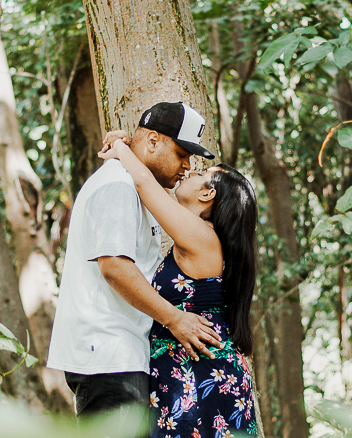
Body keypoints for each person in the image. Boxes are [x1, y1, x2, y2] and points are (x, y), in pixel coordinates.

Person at [47, 101, 222, 418]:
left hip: (121, 356)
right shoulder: (119, 185)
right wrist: (175, 319)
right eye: (181, 154)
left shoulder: (135, 185)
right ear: (153, 141)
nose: (187, 165)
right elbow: (115, 267)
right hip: (108, 356)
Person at [97, 129, 258, 438]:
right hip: (191, 375)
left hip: (200, 381)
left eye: (200, 173)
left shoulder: (202, 237)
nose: (189, 171)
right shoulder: (202, 238)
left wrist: (122, 147)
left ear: (208, 193)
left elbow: (144, 182)